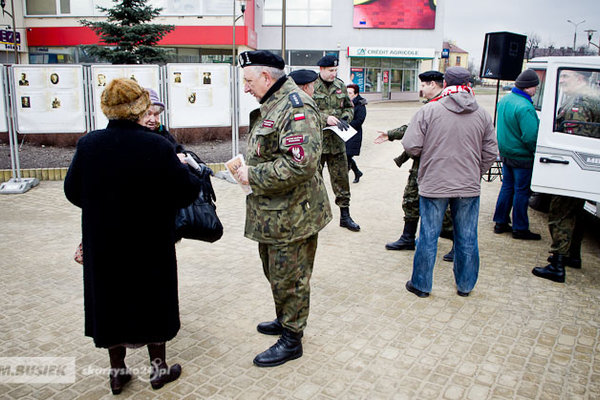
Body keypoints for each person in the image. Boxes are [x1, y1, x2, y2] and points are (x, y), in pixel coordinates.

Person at [64, 78, 201, 394]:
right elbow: (186, 192)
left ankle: (117, 373)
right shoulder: (158, 146)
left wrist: (103, 207)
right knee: (154, 301)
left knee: (111, 304)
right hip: (150, 243)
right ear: (139, 107)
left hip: (105, 244)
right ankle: (158, 371)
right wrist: (185, 170)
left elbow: (72, 191)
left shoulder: (89, 145)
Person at [235, 51, 332, 367]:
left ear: (266, 77)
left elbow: (300, 164)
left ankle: (292, 339)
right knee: (276, 272)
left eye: (249, 81)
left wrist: (253, 175)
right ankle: (285, 317)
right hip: (275, 213)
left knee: (290, 277)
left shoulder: (295, 107)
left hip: (293, 215)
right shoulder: (275, 103)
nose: (246, 88)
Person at [402, 67, 498, 297]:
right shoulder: (483, 114)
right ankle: (465, 286)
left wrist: (430, 158)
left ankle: (422, 285)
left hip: (434, 184)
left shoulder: (429, 110)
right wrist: (475, 172)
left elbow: (411, 145)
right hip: (468, 186)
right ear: (469, 84)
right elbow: (491, 151)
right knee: (467, 236)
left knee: (428, 235)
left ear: (445, 82)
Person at [374, 71, 455, 262]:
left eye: (424, 85)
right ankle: (408, 237)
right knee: (411, 198)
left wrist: (392, 134)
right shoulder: (430, 105)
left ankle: (457, 244)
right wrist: (390, 134)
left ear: (434, 84)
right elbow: (414, 127)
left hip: (437, 163)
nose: (421, 89)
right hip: (421, 161)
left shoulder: (444, 105)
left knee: (445, 210)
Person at [532, 69, 600, 282]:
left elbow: (572, 140)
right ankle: (572, 255)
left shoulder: (579, 104)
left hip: (571, 170)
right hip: (583, 172)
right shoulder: (593, 98)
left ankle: (558, 263)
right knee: (576, 214)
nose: (561, 81)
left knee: (560, 214)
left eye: (565, 77)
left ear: (580, 78)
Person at [492, 69, 541, 240]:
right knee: (521, 192)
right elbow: (530, 136)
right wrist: (536, 151)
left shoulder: (505, 100)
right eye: (534, 87)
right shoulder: (525, 107)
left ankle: (500, 221)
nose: (535, 90)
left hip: (506, 153)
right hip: (522, 156)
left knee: (507, 187)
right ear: (527, 87)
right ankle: (520, 228)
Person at [313, 55, 360, 231]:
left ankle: (345, 216)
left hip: (337, 142)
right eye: (331, 70)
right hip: (317, 143)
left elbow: (349, 107)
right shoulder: (312, 86)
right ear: (322, 70)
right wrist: (326, 118)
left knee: (341, 179)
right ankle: (315, 217)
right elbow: (305, 110)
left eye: (335, 70)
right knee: (314, 180)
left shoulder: (340, 85)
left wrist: (345, 119)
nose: (334, 73)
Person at [140, 88, 186, 162]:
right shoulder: (133, 136)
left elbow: (178, 149)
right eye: (147, 114)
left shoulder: (161, 130)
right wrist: (174, 159)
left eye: (156, 114)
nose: (152, 120)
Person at [346, 83, 367, 183]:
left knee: (347, 155)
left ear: (356, 94)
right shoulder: (346, 102)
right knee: (346, 155)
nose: (347, 94)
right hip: (345, 133)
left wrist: (346, 124)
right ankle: (357, 172)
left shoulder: (360, 105)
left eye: (350, 93)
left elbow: (359, 120)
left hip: (354, 134)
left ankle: (347, 175)